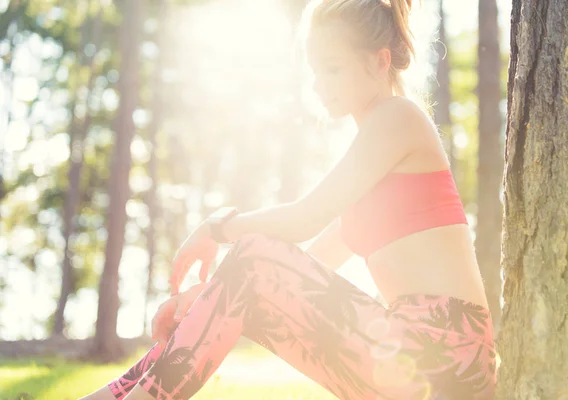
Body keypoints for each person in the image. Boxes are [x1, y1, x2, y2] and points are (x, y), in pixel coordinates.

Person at [81, 0, 496, 398]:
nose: (319, 85)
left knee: (254, 254)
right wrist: (201, 301)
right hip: (415, 362)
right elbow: (296, 272)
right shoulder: (374, 161)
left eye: (333, 69)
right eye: (315, 71)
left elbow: (302, 221)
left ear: (380, 61)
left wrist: (216, 227)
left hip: (445, 360)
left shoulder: (398, 117)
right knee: (256, 263)